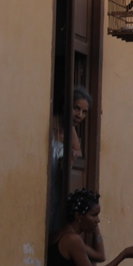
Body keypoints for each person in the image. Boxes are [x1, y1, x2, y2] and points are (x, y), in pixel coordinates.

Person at [49, 86, 93, 231]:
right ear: (65, 104)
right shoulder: (49, 123)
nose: (80, 115)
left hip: (58, 185)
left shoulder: (70, 129)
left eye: (84, 112)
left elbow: (77, 153)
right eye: (76, 108)